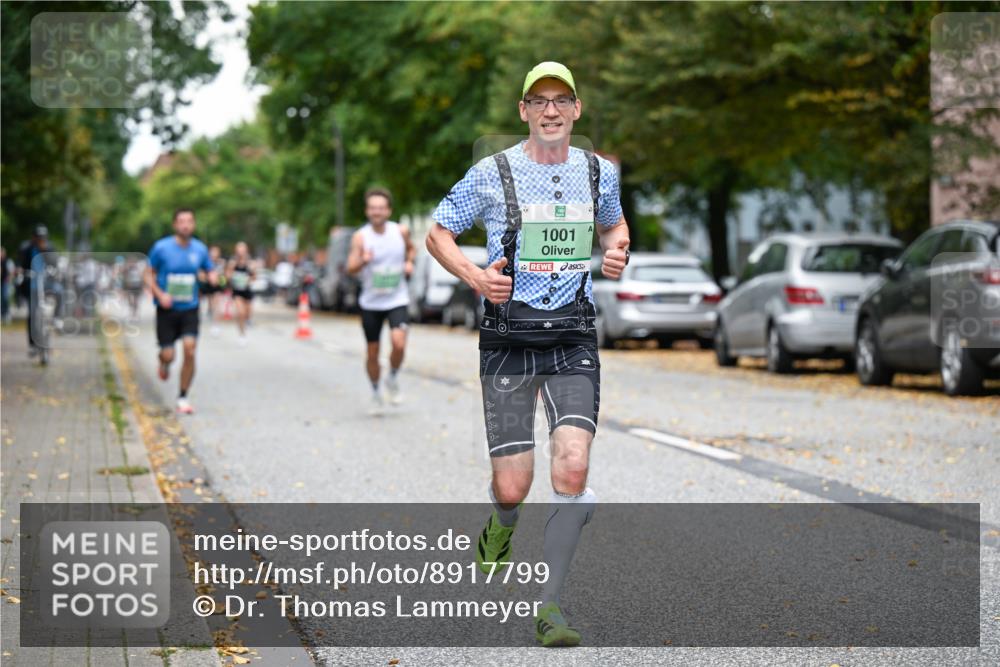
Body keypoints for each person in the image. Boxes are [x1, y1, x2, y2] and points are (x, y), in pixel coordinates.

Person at [426, 62, 630, 647]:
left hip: (572, 337)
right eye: (538, 100)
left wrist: (616, 253)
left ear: (576, 110)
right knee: (513, 486)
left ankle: (551, 608)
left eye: (560, 100)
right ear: (523, 111)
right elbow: (438, 232)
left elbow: (616, 230)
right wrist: (474, 276)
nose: (549, 110)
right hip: (508, 341)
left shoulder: (599, 174)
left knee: (572, 466)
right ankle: (501, 524)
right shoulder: (490, 173)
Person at [346, 187, 416, 413]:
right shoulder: (361, 237)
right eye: (373, 208)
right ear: (367, 211)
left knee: (399, 342)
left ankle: (392, 378)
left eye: (381, 208)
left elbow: (412, 250)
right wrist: (363, 260)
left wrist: (409, 262)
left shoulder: (400, 231)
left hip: (397, 298)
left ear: (389, 210)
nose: (377, 212)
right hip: (371, 302)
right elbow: (350, 267)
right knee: (373, 352)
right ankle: (376, 392)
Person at [145, 208, 216, 414]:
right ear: (175, 225)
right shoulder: (161, 248)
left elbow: (209, 268)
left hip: (190, 308)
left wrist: (211, 276)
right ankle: (164, 363)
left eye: (189, 221)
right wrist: (160, 295)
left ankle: (183, 396)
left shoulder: (200, 249)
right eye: (181, 221)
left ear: (193, 224)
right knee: (169, 354)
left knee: (190, 350)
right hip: (167, 309)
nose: (186, 225)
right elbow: (147, 274)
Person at [18, 225, 51, 358]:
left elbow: (54, 263)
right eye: (38, 237)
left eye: (42, 237)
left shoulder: (49, 248)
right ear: (34, 238)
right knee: (32, 314)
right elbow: (20, 264)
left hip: (47, 286)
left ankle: (58, 319)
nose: (40, 240)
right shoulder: (27, 249)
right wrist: (21, 272)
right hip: (32, 287)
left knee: (59, 294)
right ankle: (32, 344)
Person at [226, 241, 255, 345]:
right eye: (239, 249)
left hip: (247, 291)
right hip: (237, 291)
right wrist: (233, 276)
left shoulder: (250, 263)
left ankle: (247, 321)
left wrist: (249, 279)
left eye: (243, 249)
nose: (241, 251)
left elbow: (254, 277)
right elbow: (227, 275)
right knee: (240, 313)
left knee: (247, 314)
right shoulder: (233, 263)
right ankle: (242, 335)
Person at [201, 245, 226, 336]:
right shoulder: (206, 263)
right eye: (212, 252)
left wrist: (220, 280)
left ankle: (216, 325)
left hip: (217, 286)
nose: (214, 254)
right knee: (210, 302)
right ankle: (208, 311)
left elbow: (224, 276)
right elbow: (201, 274)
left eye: (216, 252)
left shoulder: (221, 263)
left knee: (216, 304)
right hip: (207, 285)